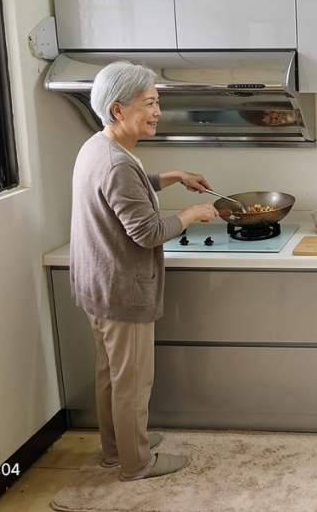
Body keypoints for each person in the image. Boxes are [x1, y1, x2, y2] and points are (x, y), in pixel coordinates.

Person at [69, 61, 220, 481]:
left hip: (97, 284)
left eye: (157, 102)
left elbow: (125, 189)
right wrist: (192, 213)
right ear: (118, 109)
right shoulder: (118, 163)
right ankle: (137, 464)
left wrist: (170, 176)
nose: (157, 112)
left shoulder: (98, 147)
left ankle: (115, 449)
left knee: (111, 376)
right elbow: (148, 232)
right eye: (149, 103)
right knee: (133, 383)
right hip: (123, 289)